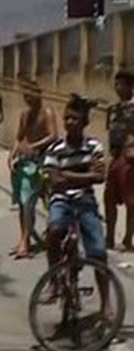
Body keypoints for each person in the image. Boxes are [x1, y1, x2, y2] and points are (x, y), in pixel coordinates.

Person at [43, 95, 112, 315]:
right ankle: (53, 281)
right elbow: (53, 181)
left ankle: (106, 302)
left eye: (74, 119)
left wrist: (66, 174)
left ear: (84, 122)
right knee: (53, 232)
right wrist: (84, 174)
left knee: (98, 252)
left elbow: (99, 177)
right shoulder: (55, 148)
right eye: (67, 118)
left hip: (85, 201)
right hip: (61, 200)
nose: (69, 122)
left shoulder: (94, 145)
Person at [9, 81, 57, 259]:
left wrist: (33, 146)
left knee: (40, 202)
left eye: (30, 94)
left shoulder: (47, 113)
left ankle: (34, 238)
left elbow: (53, 135)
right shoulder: (24, 115)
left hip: (44, 161)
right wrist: (12, 154)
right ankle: (24, 239)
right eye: (25, 95)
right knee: (24, 203)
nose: (27, 98)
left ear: (39, 93)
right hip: (27, 163)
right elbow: (19, 137)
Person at [104, 70, 134, 250]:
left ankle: (128, 239)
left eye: (122, 84)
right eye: (116, 84)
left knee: (131, 201)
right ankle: (109, 237)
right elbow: (111, 132)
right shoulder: (113, 109)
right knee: (109, 199)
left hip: (129, 157)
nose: (118, 88)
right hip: (114, 156)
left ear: (131, 86)